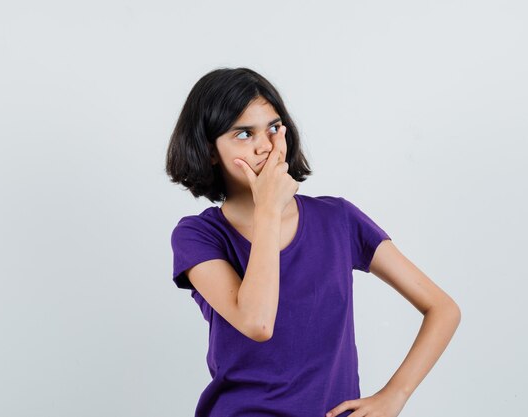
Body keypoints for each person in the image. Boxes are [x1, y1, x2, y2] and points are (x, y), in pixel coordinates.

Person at [165, 67, 461, 417]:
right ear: (210, 150)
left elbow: (442, 309)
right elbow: (257, 322)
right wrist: (269, 211)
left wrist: (395, 394)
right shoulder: (198, 236)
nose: (266, 146)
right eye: (244, 134)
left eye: (274, 128)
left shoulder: (338, 219)